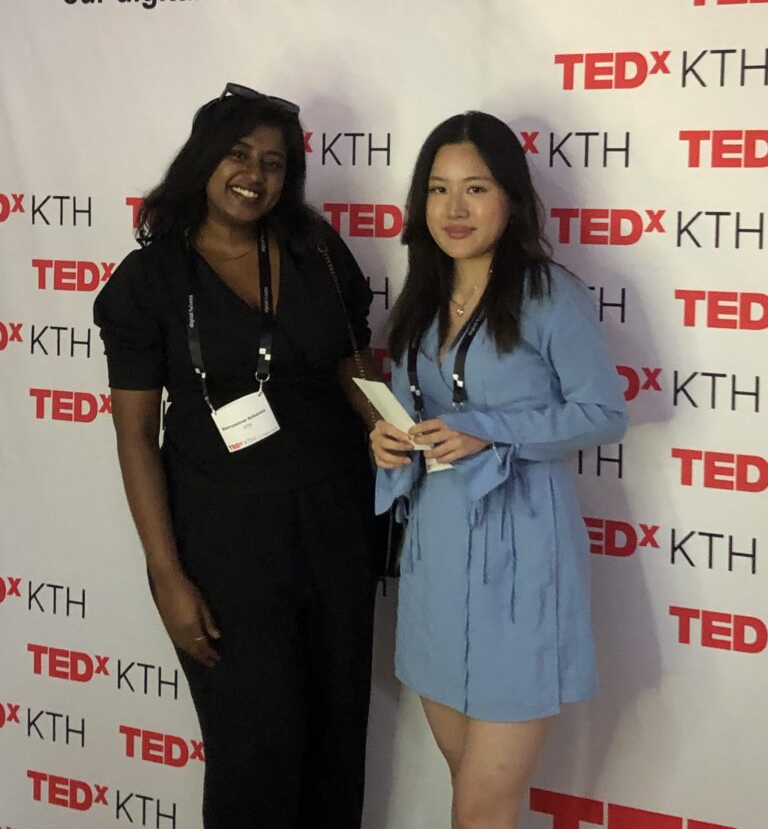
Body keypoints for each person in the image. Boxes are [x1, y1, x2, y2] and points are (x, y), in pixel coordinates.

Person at [94, 84, 379, 829]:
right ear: (204, 160)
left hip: (335, 527)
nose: (256, 174)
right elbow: (134, 436)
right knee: (256, 754)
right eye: (238, 154)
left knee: (334, 743)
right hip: (224, 546)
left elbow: (352, 368)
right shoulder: (149, 281)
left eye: (276, 162)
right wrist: (166, 576)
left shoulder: (316, 252)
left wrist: (397, 427)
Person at [370, 112, 628, 829]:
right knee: (473, 793)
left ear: (510, 197)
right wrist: (389, 446)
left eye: (475, 188)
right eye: (439, 189)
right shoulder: (420, 297)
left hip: (523, 558)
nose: (455, 209)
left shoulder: (549, 294)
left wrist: (490, 432)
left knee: (482, 803)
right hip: (436, 558)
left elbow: (604, 414)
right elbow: (422, 415)